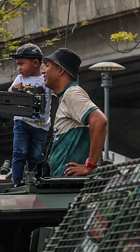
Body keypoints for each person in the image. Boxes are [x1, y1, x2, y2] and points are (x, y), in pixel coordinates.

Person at [41, 48, 108, 178]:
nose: (43, 71)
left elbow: (100, 121)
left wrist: (90, 165)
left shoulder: (72, 93)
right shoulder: (67, 96)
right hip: (64, 184)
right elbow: (102, 129)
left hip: (70, 187)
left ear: (60, 70)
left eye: (47, 65)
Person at [7, 43, 52, 184]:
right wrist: (14, 89)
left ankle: (32, 182)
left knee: (36, 156)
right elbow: (9, 93)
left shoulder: (46, 79)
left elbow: (59, 92)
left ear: (35, 63)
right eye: (17, 64)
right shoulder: (20, 79)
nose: (18, 68)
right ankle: (17, 181)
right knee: (19, 152)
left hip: (41, 126)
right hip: (22, 122)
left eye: (21, 64)